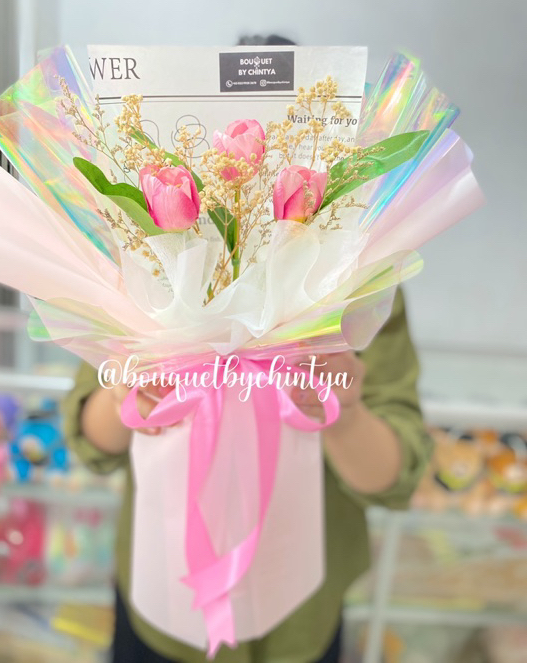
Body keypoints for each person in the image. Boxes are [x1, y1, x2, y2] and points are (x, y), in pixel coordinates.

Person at [61, 35, 433, 663]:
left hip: (301, 617)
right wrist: (130, 389)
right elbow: (90, 442)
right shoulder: (145, 269)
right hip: (162, 597)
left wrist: (341, 409)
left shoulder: (362, 288)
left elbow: (397, 475)